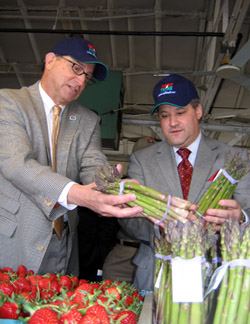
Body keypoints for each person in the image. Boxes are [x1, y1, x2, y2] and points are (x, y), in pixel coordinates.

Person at [0, 36, 142, 276]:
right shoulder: (9, 102)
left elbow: (94, 164)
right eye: (76, 68)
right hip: (14, 238)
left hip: (62, 242)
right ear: (49, 60)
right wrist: (79, 194)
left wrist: (112, 188)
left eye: (87, 76)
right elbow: (17, 165)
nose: (80, 81)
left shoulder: (88, 119)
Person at [118, 73, 250, 291]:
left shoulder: (234, 158)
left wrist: (241, 217)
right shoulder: (142, 160)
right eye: (164, 115)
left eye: (180, 112)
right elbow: (129, 219)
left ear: (198, 111)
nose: (172, 123)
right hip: (156, 270)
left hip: (217, 277)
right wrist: (162, 228)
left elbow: (248, 210)